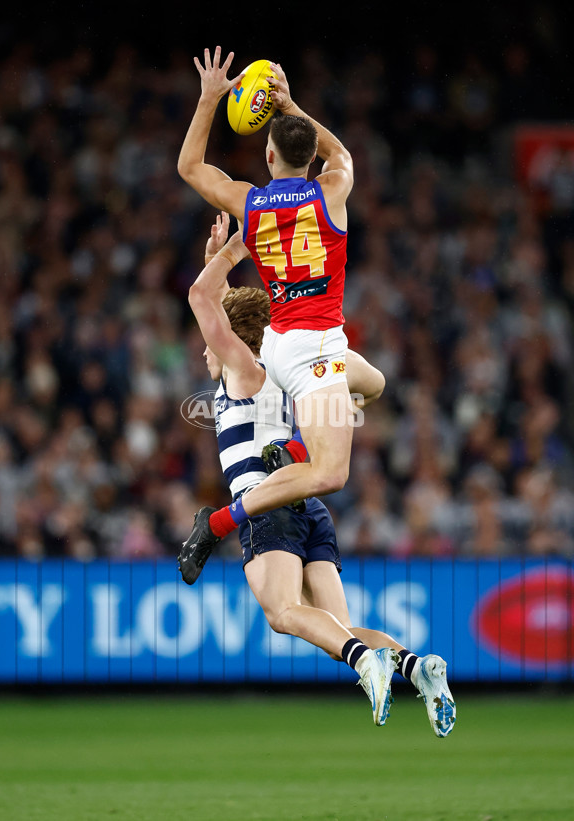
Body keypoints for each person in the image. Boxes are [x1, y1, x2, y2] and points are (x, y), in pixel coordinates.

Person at [178, 215, 457, 738]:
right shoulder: (296, 371)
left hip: (267, 505)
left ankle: (365, 663)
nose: (203, 350)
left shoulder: (240, 369)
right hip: (310, 505)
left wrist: (234, 248)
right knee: (338, 628)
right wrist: (219, 262)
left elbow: (203, 301)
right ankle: (417, 667)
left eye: (210, 342)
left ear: (231, 338)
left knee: (283, 612)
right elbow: (235, 315)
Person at [177, 48, 364, 563]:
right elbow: (341, 156)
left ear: (267, 157)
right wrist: (288, 104)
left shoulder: (250, 202)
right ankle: (219, 520)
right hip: (315, 344)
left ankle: (295, 450)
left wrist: (210, 99)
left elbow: (189, 166)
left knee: (372, 382)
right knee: (331, 475)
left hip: (281, 342)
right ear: (311, 158)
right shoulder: (331, 191)